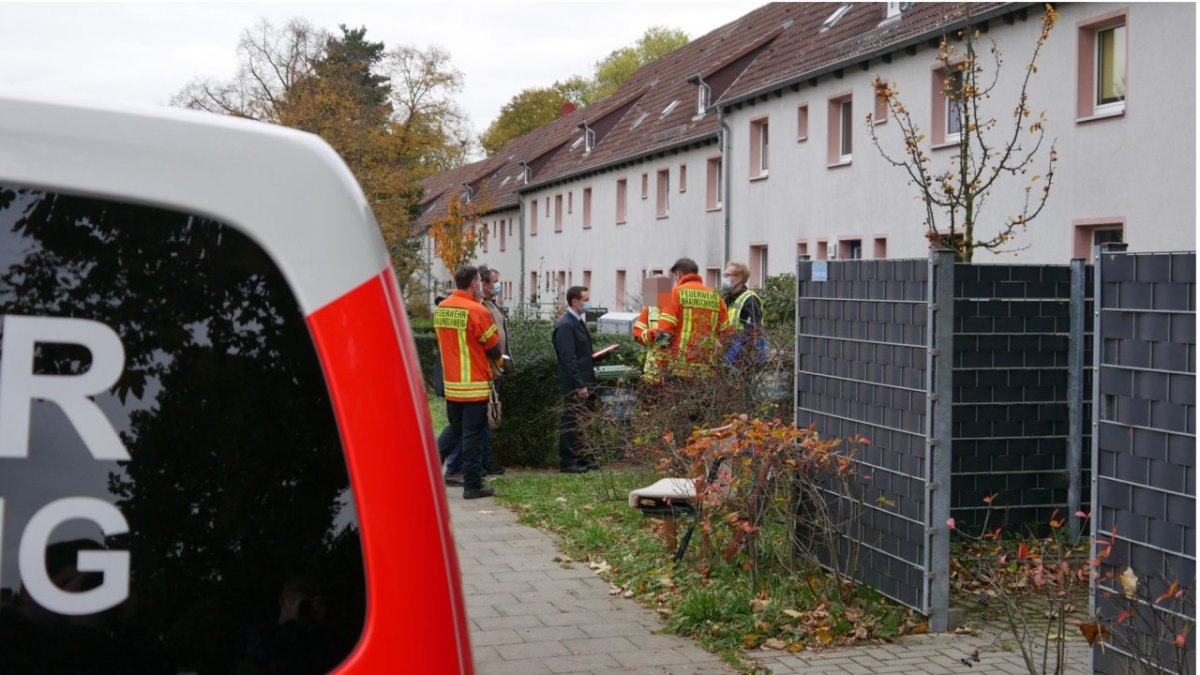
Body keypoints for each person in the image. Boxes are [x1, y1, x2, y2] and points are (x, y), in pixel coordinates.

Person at [434, 266, 502, 499]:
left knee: (455, 429)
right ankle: (473, 485)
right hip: (474, 385)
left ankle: (428, 468)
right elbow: (494, 348)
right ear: (474, 282)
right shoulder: (477, 311)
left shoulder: (441, 309)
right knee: (472, 435)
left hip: (452, 384)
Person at [651, 258, 731, 377]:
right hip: (707, 370)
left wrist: (661, 365)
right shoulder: (715, 297)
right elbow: (727, 335)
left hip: (679, 369)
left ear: (678, 273)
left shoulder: (675, 293)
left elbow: (664, 333)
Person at [553, 285, 599, 473]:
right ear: (575, 301)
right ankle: (568, 460)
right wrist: (579, 385)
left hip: (584, 379)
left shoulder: (577, 321)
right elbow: (568, 359)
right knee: (572, 421)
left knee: (583, 421)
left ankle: (582, 457)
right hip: (575, 383)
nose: (588, 303)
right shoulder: (566, 325)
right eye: (585, 300)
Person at [721, 261, 768, 365]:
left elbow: (752, 333)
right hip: (732, 351)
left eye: (727, 275)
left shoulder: (750, 300)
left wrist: (731, 357)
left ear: (739, 278)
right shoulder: (729, 298)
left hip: (744, 356)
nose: (724, 278)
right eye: (724, 275)